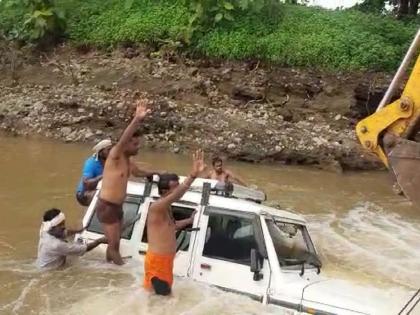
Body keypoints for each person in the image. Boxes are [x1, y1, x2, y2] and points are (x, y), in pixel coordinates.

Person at [94, 98, 151, 265]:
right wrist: (137, 119)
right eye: (135, 144)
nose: (138, 147)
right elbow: (123, 139)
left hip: (117, 206)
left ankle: (107, 269)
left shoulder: (127, 160)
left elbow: (139, 172)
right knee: (113, 246)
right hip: (107, 207)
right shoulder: (116, 155)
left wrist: (156, 173)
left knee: (115, 244)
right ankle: (120, 274)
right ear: (126, 144)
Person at [144, 149, 205, 296]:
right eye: (175, 187)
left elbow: (173, 226)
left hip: (164, 262)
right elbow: (178, 194)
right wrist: (192, 176)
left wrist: (190, 220)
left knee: (158, 301)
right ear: (165, 192)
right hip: (157, 263)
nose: (178, 190)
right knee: (162, 301)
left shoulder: (166, 208)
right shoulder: (156, 207)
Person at [36, 208, 107, 270]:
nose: (63, 227)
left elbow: (65, 232)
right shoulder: (56, 245)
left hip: (41, 265)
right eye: (60, 225)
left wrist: (78, 231)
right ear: (51, 228)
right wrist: (99, 241)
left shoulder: (44, 231)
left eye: (63, 223)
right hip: (50, 273)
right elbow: (84, 249)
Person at [76, 139, 113, 206]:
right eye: (108, 150)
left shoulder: (110, 162)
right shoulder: (91, 163)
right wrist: (102, 177)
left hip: (98, 190)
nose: (111, 152)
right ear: (101, 152)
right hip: (84, 194)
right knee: (107, 198)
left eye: (112, 149)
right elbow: (86, 183)